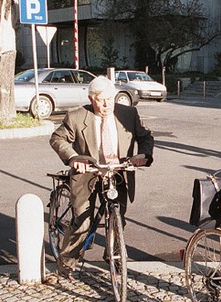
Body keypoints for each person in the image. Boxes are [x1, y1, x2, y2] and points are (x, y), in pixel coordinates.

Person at [50, 75, 154, 278]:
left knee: (118, 218)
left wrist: (144, 155)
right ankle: (66, 262)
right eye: (100, 99)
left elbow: (145, 137)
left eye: (109, 98)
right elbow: (57, 138)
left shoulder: (128, 114)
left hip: (117, 173)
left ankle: (113, 257)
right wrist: (73, 158)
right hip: (87, 173)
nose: (106, 104)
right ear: (91, 99)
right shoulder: (77, 116)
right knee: (83, 223)